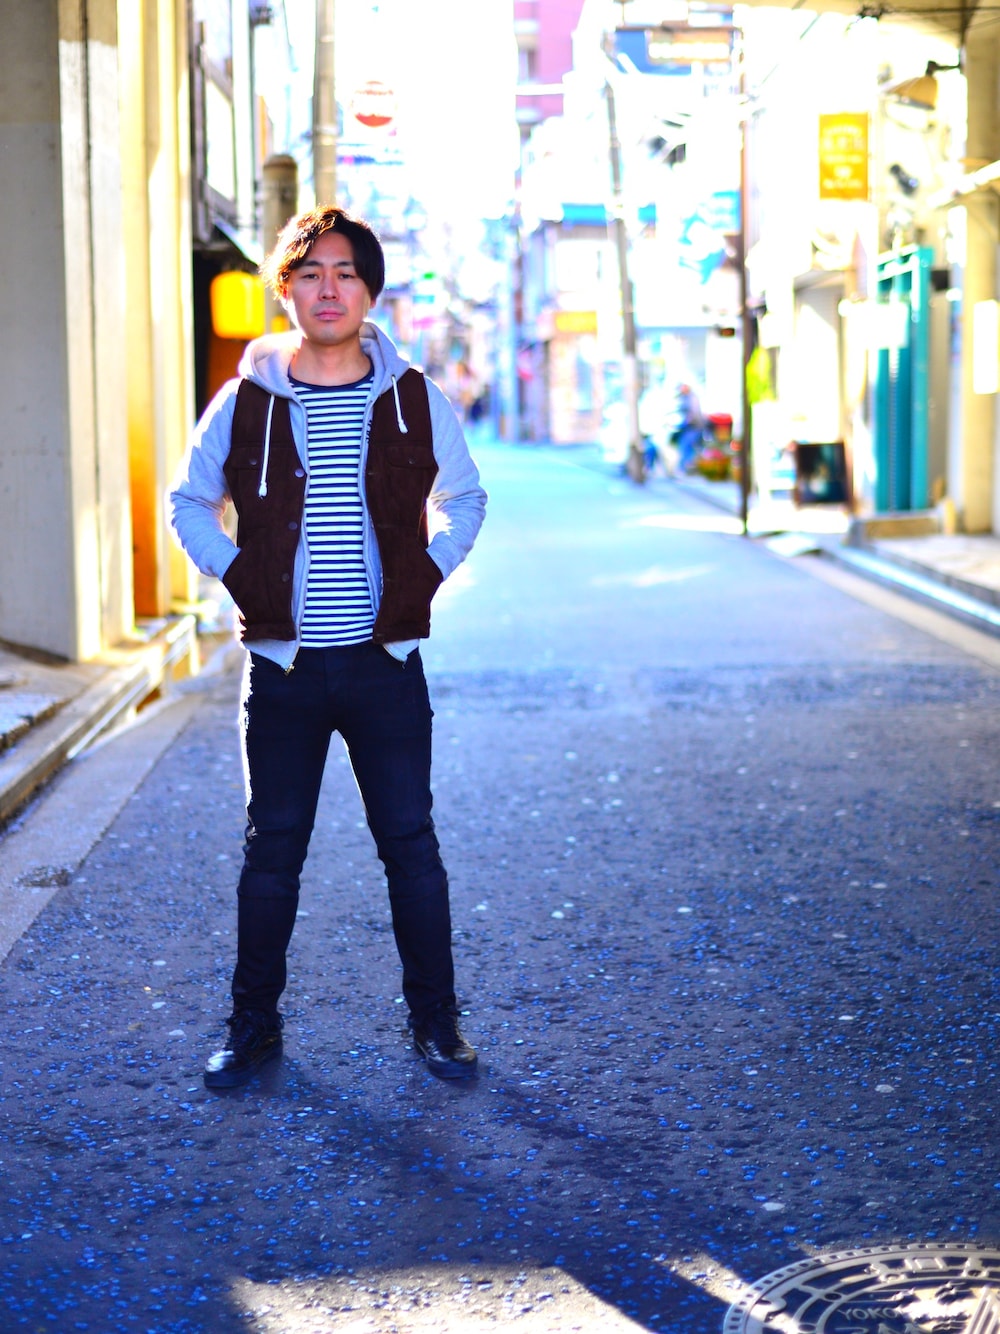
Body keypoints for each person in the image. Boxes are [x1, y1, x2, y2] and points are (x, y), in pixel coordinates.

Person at [169, 206, 487, 1089]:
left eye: (345, 273)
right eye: (310, 274)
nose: (329, 289)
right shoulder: (246, 400)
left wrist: (426, 573)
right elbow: (190, 499)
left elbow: (464, 497)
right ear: (287, 292)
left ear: (369, 291)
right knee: (272, 852)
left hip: (385, 667)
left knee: (410, 845)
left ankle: (436, 1024)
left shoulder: (414, 396)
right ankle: (252, 1026)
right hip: (285, 671)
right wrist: (238, 572)